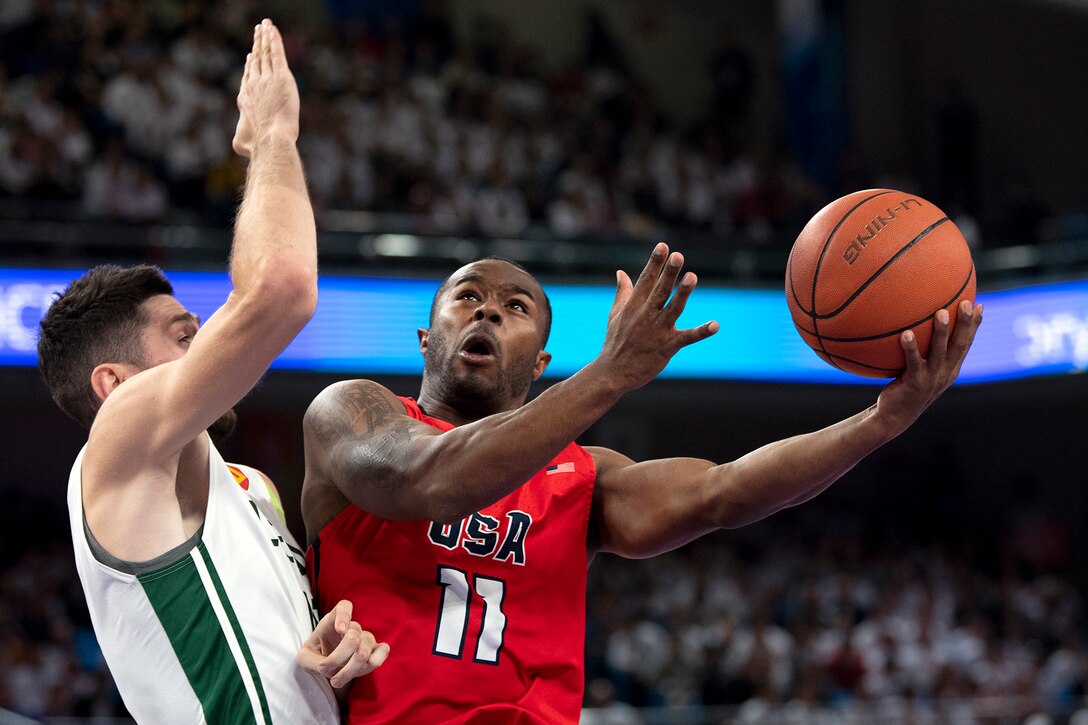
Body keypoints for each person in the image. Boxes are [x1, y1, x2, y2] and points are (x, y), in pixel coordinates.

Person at [301, 245, 983, 723]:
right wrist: (611, 372)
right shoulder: (352, 411)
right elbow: (428, 479)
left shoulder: (582, 476)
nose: (486, 313)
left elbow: (725, 491)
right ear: (426, 337)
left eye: (514, 306)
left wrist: (878, 422)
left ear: (539, 361)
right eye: (467, 297)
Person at [37, 20, 386, 723]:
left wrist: (329, 646)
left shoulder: (250, 485)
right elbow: (283, 285)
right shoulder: (120, 441)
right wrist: (271, 139)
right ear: (115, 385)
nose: (206, 347)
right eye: (183, 335)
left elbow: (262, 656)